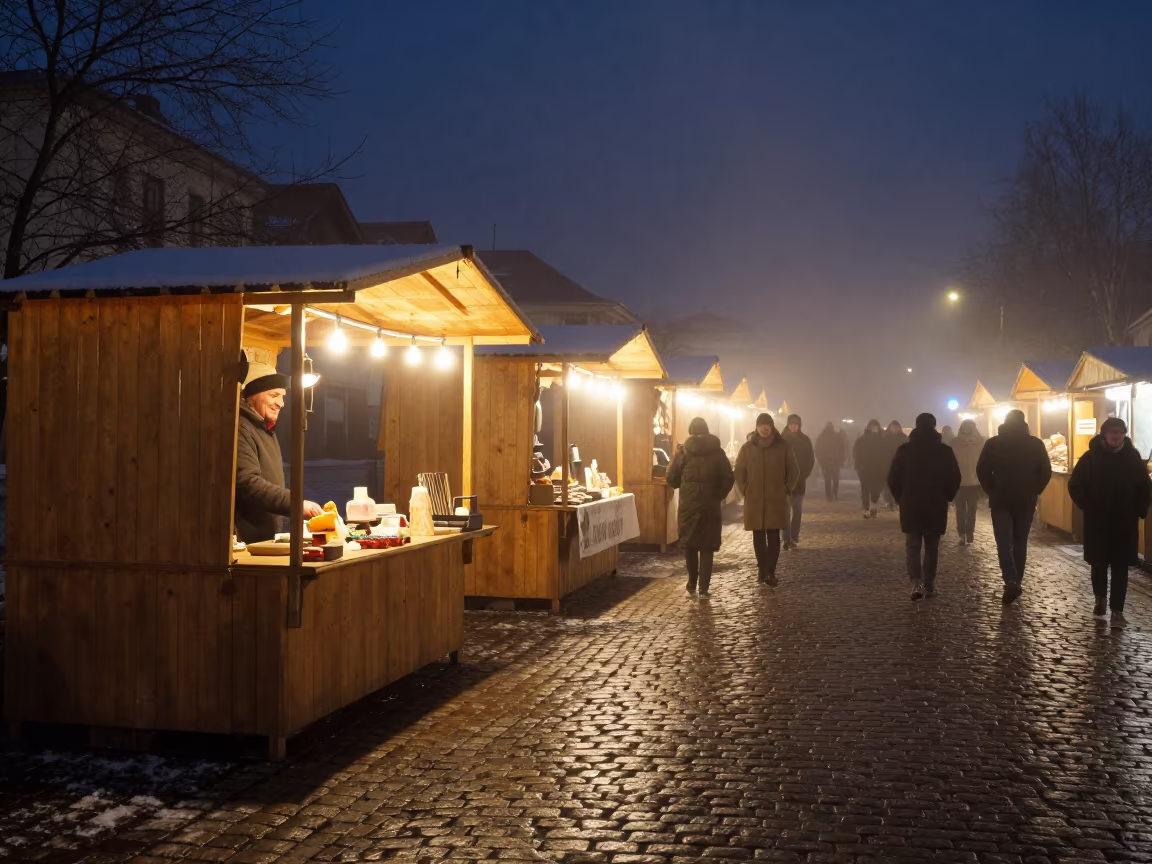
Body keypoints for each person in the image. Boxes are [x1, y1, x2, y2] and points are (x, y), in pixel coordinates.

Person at [1068, 417, 1151, 629]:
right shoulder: (1091, 457)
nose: (1116, 436)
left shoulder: (1132, 457)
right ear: (1104, 434)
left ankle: (1117, 611)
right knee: (1099, 563)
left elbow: (1145, 486)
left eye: (1120, 433)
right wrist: (1088, 505)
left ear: (1124, 435)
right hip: (1098, 521)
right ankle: (1100, 598)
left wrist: (1140, 510)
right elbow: (1075, 484)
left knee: (1121, 566)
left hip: (1125, 521)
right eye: (1113, 432)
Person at [235, 362, 322, 543]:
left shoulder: (264, 429)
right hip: (246, 540)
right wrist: (297, 504)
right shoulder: (241, 428)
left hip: (264, 538)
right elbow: (248, 483)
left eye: (282, 396)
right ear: (252, 396)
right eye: (274, 395)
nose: (281, 403)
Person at [976, 408, 1052, 605]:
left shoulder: (993, 443)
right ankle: (1017, 580)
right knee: (1020, 542)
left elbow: (982, 469)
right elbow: (1045, 471)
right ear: (1024, 422)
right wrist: (1034, 490)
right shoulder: (1035, 443)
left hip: (1000, 499)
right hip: (1025, 500)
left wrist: (991, 490)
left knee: (1004, 542)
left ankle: (1011, 580)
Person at [888, 413, 961, 600]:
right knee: (931, 547)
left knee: (912, 546)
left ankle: (915, 582)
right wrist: (947, 497)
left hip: (911, 504)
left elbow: (893, 478)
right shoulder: (945, 451)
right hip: (936, 504)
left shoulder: (905, 450)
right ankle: (929, 583)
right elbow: (954, 477)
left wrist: (900, 498)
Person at [666, 417, 735, 598]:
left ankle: (692, 582)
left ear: (690, 431)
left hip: (689, 506)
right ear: (707, 430)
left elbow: (672, 479)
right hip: (710, 506)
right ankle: (704, 588)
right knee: (706, 547)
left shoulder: (683, 452)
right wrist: (718, 495)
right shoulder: (718, 452)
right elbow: (728, 477)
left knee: (690, 545)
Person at [735, 413, 799, 586]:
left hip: (775, 499)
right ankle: (762, 569)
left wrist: (786, 488)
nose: (764, 428)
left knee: (773, 535)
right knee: (758, 535)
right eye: (761, 425)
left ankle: (771, 571)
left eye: (767, 425)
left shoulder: (783, 446)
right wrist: (745, 489)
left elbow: (794, 470)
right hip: (754, 498)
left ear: (772, 427)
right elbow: (739, 470)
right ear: (756, 427)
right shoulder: (747, 448)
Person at [950, 419, 985, 546]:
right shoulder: (955, 443)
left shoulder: (981, 443)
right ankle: (963, 534)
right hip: (962, 482)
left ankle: (968, 532)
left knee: (970, 509)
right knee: (962, 510)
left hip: (973, 482)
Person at [782, 414, 815, 549]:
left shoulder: (805, 440)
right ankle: (785, 538)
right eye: (791, 423)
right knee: (784, 512)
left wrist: (804, 474)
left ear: (799, 425)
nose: (793, 426)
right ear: (788, 424)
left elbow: (810, 459)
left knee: (797, 511)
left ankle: (794, 537)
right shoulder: (781, 439)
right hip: (784, 483)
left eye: (796, 424)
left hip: (800, 482)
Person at [853, 419, 888, 518]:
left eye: (876, 427)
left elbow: (886, 454)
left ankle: (873, 504)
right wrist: (859, 465)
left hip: (878, 468)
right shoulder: (862, 439)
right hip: (865, 468)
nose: (874, 429)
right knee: (865, 488)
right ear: (868, 428)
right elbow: (856, 453)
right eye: (872, 427)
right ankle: (866, 508)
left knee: (876, 488)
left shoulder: (882, 440)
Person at [815, 421, 845, 501]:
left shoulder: (822, 437)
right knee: (833, 480)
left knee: (829, 480)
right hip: (830, 461)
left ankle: (830, 495)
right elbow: (842, 449)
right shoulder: (836, 436)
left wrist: (820, 460)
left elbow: (842, 449)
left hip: (830, 462)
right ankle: (832, 495)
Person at [882, 420, 907, 510]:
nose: (895, 429)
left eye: (896, 427)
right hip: (887, 464)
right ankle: (889, 501)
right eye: (893, 427)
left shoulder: (904, 438)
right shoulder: (885, 438)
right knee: (888, 484)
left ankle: (897, 501)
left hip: (900, 464)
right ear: (890, 428)